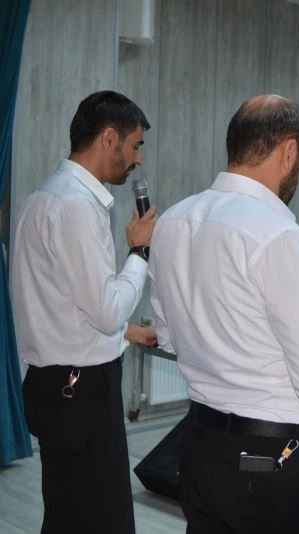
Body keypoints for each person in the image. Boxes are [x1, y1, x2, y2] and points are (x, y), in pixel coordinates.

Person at [149, 95, 299, 533]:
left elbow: (168, 337)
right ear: (289, 152)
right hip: (273, 458)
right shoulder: (276, 232)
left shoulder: (173, 221)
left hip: (200, 442)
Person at [12, 91, 157, 534]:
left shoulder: (43, 195)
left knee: (68, 513)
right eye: (134, 147)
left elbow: (61, 303)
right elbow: (106, 311)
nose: (138, 162)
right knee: (103, 520)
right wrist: (139, 251)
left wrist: (126, 333)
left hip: (51, 385)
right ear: (109, 139)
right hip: (82, 394)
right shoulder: (78, 206)